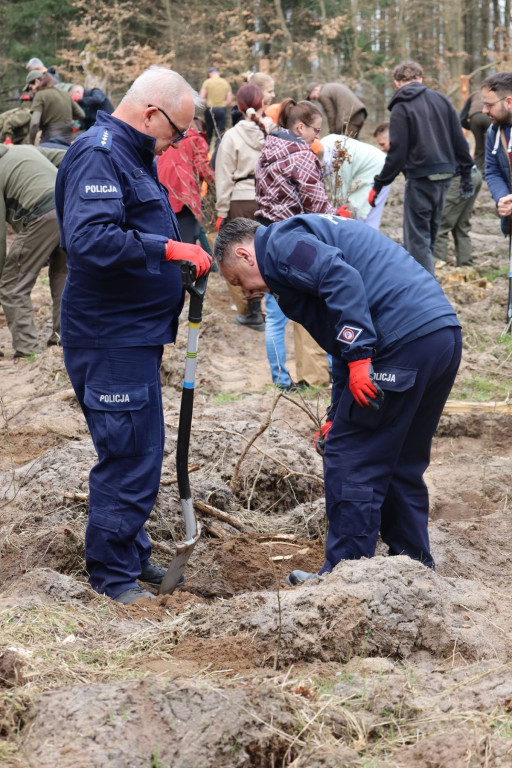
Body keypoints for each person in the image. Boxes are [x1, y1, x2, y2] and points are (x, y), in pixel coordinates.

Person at [213, 215, 462, 584]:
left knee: (351, 456)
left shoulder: (281, 245)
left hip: (400, 341)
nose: (245, 292)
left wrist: (361, 356)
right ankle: (413, 570)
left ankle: (346, 577)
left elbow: (340, 278)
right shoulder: (299, 245)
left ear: (244, 254)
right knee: (402, 459)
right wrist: (336, 409)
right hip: (438, 335)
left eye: (237, 280)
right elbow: (339, 340)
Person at [54, 66, 212, 605]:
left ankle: (131, 550)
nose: (178, 141)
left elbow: (130, 226)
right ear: (151, 113)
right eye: (176, 130)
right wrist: (170, 250)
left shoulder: (131, 156)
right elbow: (92, 240)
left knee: (141, 447)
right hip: (108, 336)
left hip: (133, 335)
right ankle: (112, 574)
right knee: (129, 453)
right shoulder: (100, 153)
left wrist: (178, 265)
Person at [255, 98, 344, 389]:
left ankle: (281, 379)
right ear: (300, 126)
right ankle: (328, 371)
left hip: (268, 236)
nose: (317, 137)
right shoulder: (300, 155)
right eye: (315, 130)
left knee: (275, 315)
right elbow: (317, 204)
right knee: (318, 304)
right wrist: (338, 222)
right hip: (297, 239)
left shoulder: (267, 151)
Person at [369, 61, 474, 275]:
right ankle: (425, 283)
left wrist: (379, 184)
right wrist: (466, 174)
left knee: (417, 240)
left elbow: (397, 153)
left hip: (420, 178)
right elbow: (460, 141)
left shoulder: (401, 107)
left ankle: (425, 293)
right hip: (446, 176)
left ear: (396, 82)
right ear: (421, 79)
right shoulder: (442, 100)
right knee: (430, 236)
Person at [0, 144, 68, 358]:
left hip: (41, 215)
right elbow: (69, 155)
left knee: (13, 284)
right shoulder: (25, 149)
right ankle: (63, 338)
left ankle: (27, 348)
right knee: (63, 276)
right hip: (71, 206)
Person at [214, 83, 271, 331]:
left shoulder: (232, 135)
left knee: (245, 257)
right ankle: (277, 310)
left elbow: (223, 176)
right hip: (269, 200)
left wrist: (221, 210)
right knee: (267, 253)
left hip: (240, 200)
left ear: (238, 106)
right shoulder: (273, 130)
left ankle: (253, 313)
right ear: (262, 103)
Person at [157, 116, 214, 245]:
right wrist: (216, 180)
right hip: (185, 196)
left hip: (163, 196)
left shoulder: (165, 141)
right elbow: (202, 168)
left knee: (170, 242)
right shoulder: (196, 140)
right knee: (187, 243)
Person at [321, 134, 390, 229]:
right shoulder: (324, 148)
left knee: (364, 211)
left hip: (377, 170)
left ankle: (369, 239)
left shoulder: (335, 159)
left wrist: (337, 213)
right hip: (370, 168)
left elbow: (340, 192)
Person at [481, 72, 512, 236]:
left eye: (489, 105)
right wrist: (503, 198)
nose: (484, 110)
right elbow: (492, 170)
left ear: (509, 102)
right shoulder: (494, 132)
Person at [433, 165, 482, 266]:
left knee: (439, 226)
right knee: (461, 226)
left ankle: (437, 269)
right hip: (472, 173)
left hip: (458, 178)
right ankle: (466, 268)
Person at [24, 69, 84, 145]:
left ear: (37, 82)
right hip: (68, 141)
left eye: (30, 88)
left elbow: (35, 123)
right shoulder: (64, 93)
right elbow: (81, 114)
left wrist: (31, 144)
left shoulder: (40, 95)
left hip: (50, 140)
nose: (31, 92)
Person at [199, 67, 233, 148]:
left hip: (210, 110)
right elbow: (229, 100)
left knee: (208, 132)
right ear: (218, 73)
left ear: (210, 74)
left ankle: (206, 151)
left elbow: (201, 98)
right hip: (221, 110)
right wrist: (222, 104)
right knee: (220, 133)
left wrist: (207, 103)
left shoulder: (207, 82)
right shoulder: (225, 83)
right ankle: (218, 151)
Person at [459, 90, 491, 175]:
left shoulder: (473, 94)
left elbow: (462, 117)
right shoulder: (492, 92)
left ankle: (479, 173)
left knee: (479, 148)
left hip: (475, 118)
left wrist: (470, 127)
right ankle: (492, 171)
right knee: (493, 145)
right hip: (489, 117)